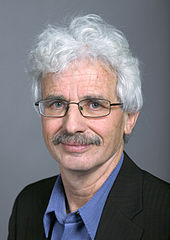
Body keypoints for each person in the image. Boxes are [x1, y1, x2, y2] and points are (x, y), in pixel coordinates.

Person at [8, 14, 170, 240]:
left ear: (129, 118)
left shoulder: (164, 216)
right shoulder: (27, 205)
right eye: (57, 103)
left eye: (94, 104)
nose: (72, 125)